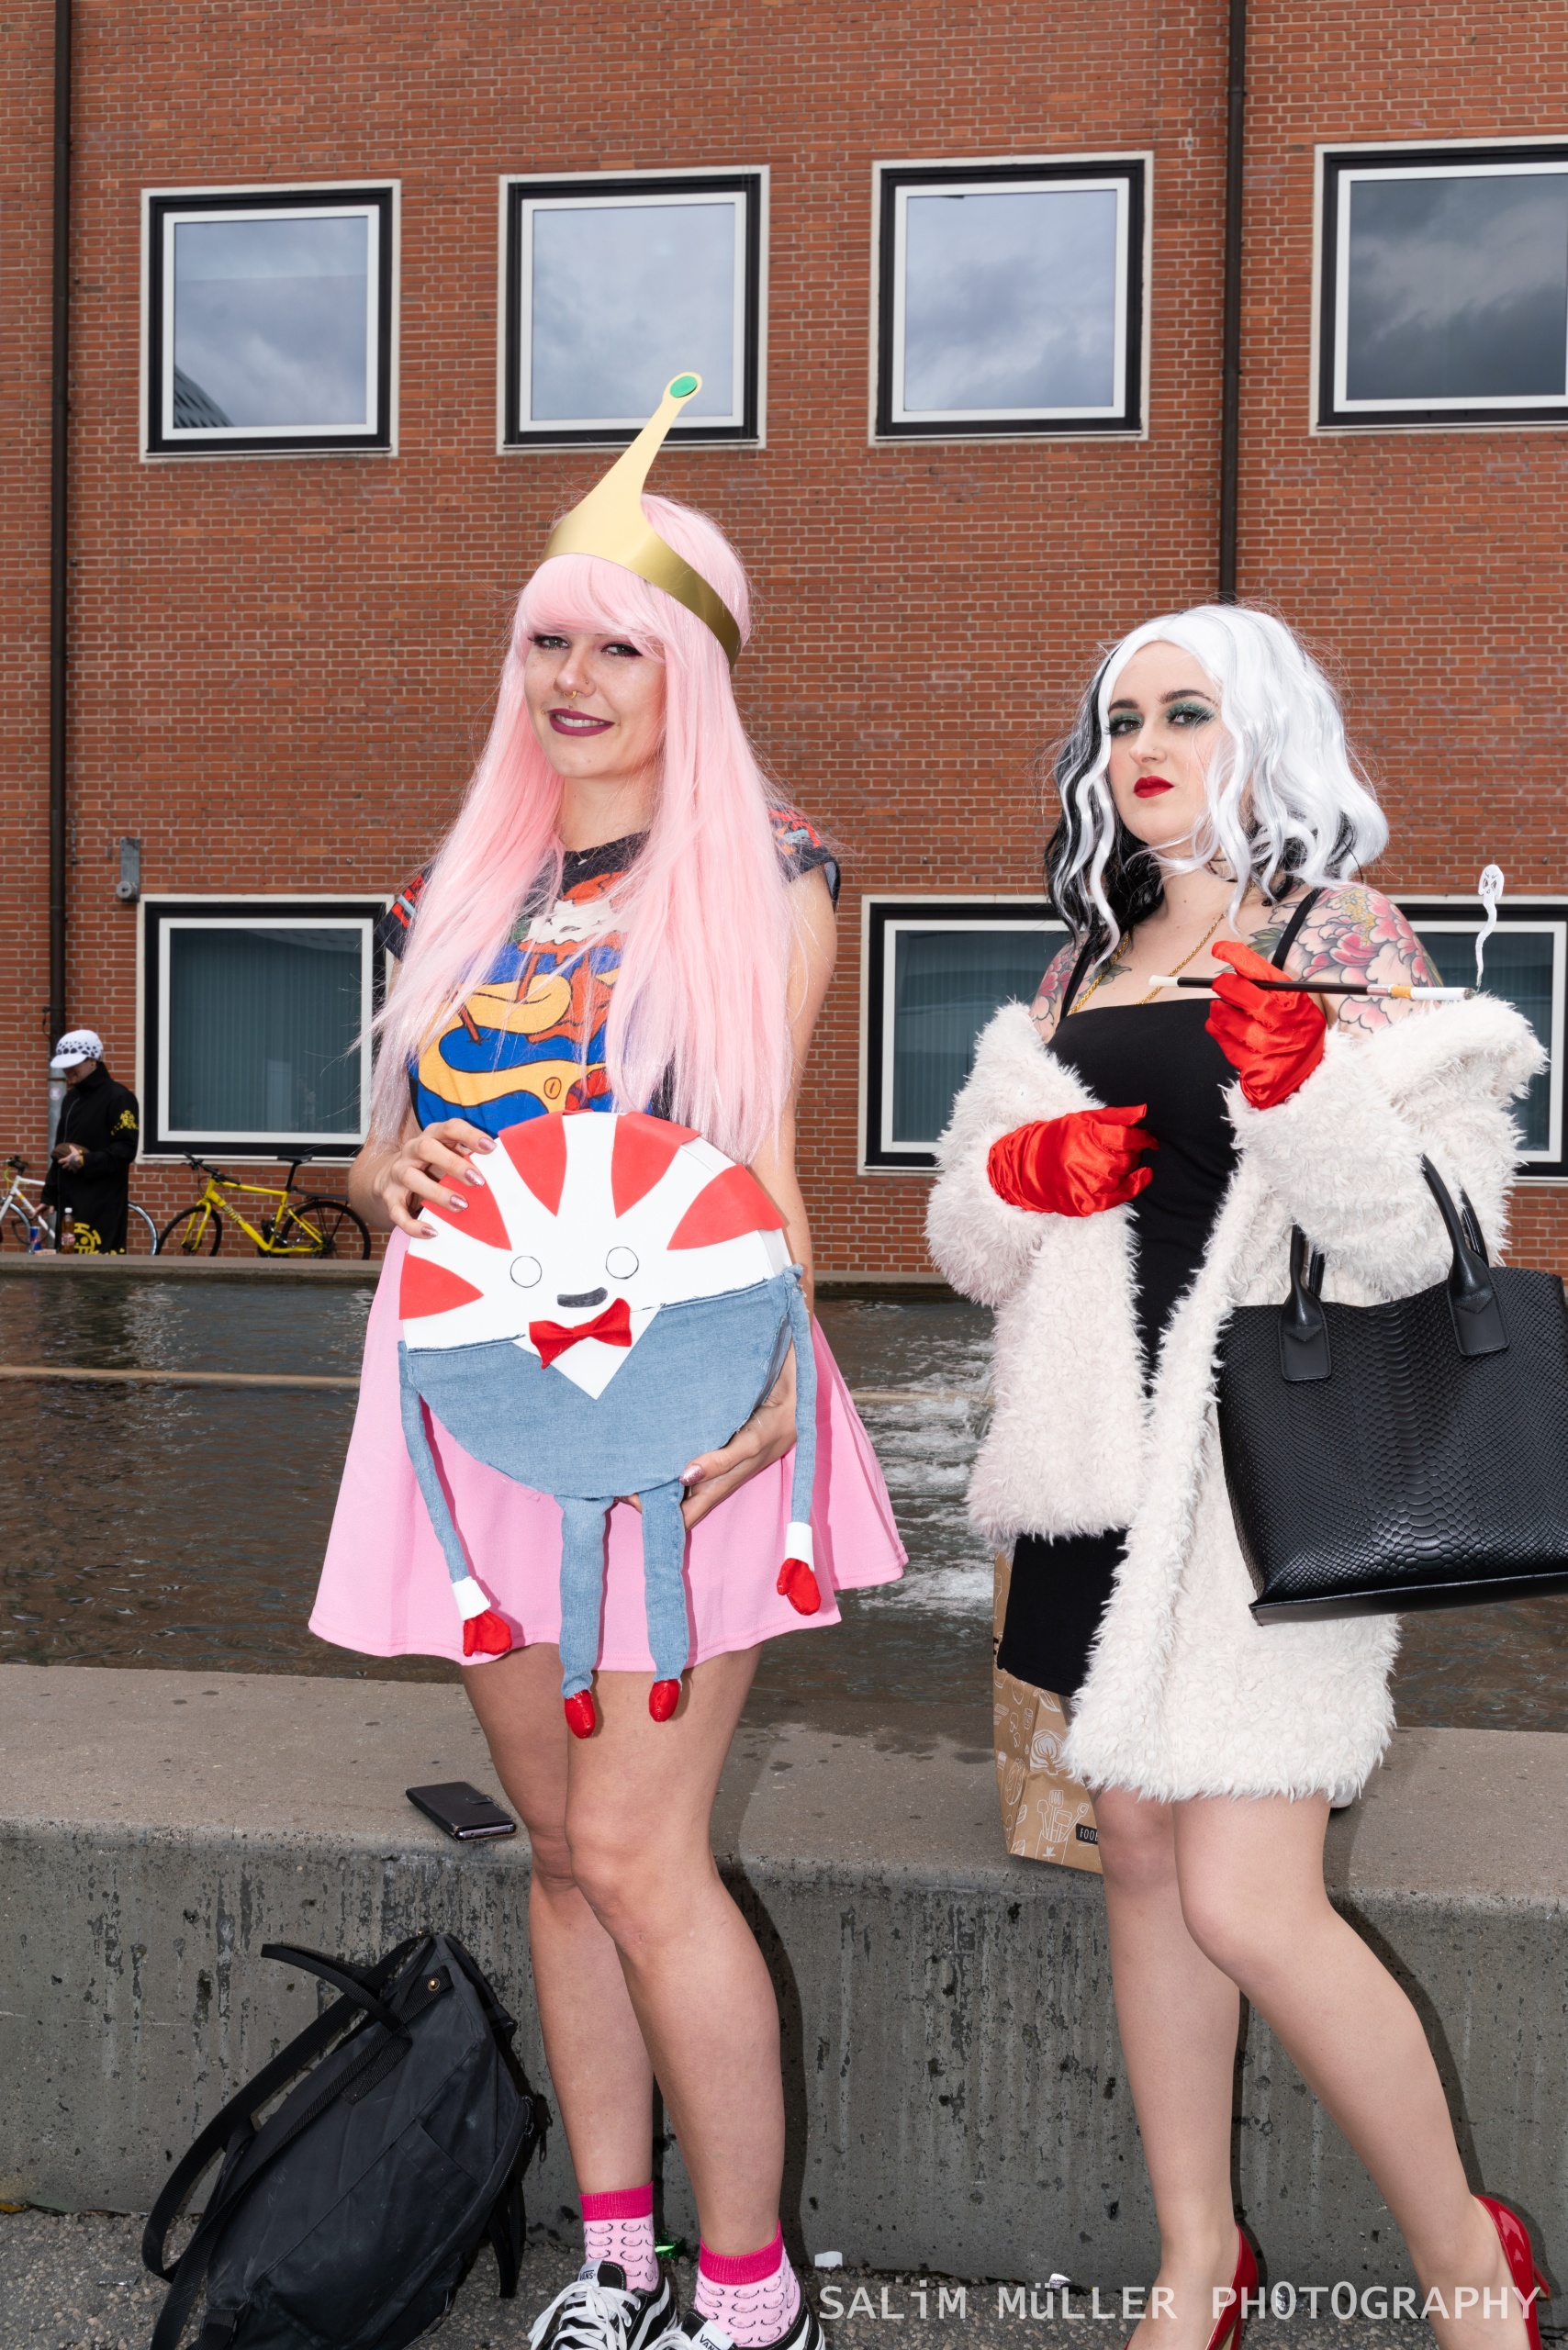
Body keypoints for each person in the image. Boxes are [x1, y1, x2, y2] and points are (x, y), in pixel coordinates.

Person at [310, 379, 903, 2350]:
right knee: (560, 1854)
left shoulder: (769, 871)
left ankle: (751, 2291)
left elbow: (760, 1160)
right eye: (546, 641)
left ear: (689, 672)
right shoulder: (460, 884)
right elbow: (396, 1142)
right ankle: (618, 2261)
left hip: (679, 1394)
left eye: (618, 646)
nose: (570, 678)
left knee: (643, 1850)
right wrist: (373, 1170)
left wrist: (776, 1384)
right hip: (469, 1390)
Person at [928, 606, 1546, 2350]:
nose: (1143, 746)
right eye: (1119, 718)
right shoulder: (1083, 961)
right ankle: (1198, 2260)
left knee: (1249, 1902)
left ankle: (1467, 2260)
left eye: (1185, 712)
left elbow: (1429, 1242)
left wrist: (1303, 1090)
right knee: (1134, 1847)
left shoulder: (1343, 934)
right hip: (1095, 1462)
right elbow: (971, 1242)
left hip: (1268, 1470)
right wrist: (1018, 1182)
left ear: (1262, 731)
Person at [43, 1029, 140, 1254]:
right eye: (64, 1064)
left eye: (73, 1063)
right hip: (69, 1206)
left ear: (92, 1061)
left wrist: (85, 1161)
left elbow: (126, 1149)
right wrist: (50, 1194)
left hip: (102, 1204)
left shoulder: (119, 1097)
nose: (67, 1069)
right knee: (68, 1263)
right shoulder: (71, 1098)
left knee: (99, 1270)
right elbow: (59, 1149)